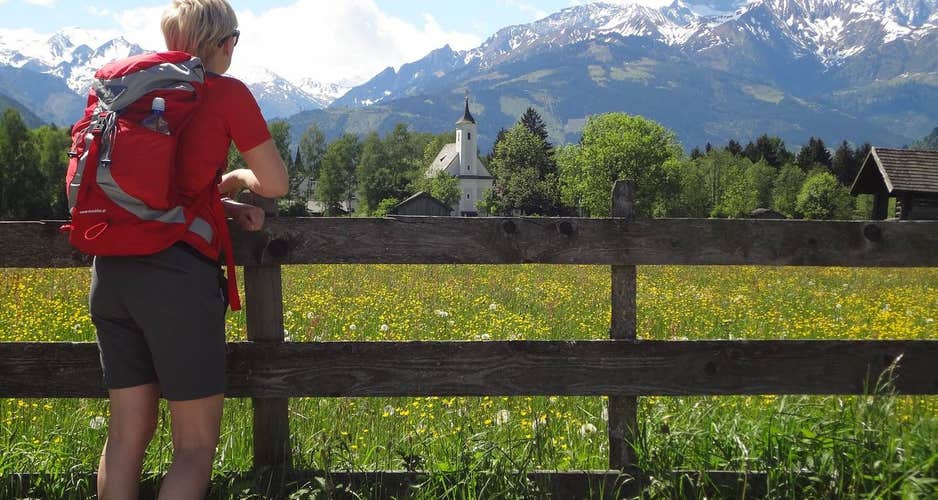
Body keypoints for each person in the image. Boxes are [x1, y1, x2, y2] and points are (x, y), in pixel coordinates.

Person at [91, 1, 288, 498]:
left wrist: (220, 204)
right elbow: (275, 183)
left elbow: (159, 191)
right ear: (225, 43)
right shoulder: (225, 92)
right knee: (195, 447)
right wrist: (238, 177)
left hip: (110, 272)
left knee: (125, 438)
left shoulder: (132, 92)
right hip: (176, 280)